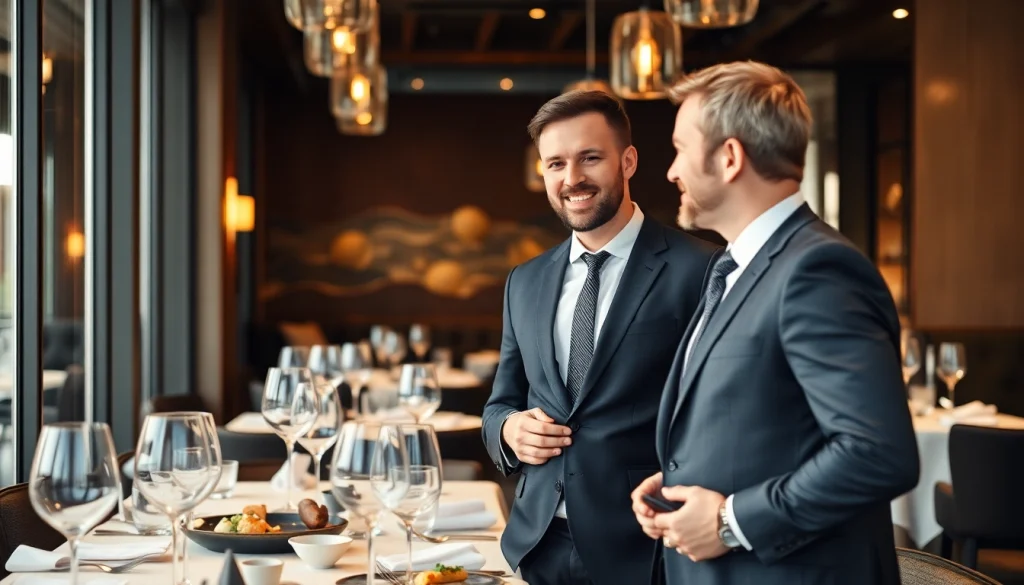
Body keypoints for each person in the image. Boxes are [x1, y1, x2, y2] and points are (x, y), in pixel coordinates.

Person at [630, 61, 920, 585]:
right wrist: (682, 479)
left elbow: (878, 454)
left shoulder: (818, 269)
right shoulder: (731, 267)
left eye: (679, 148)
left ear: (730, 157)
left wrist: (728, 522)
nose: (671, 171)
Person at [481, 90, 718, 585]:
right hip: (537, 542)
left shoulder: (702, 268)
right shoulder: (523, 281)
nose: (572, 179)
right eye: (556, 164)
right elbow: (500, 402)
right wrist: (508, 430)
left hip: (648, 548)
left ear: (627, 161)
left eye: (590, 158)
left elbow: (719, 413)